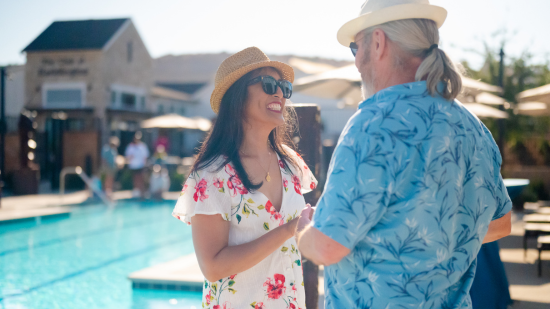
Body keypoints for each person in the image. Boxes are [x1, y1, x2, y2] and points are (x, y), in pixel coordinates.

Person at [296, 1, 513, 308]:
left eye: (355, 48)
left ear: (378, 42)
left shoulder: (373, 124)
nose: (357, 63)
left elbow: (327, 248)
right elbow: (501, 224)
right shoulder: (472, 127)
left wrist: (304, 230)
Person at [172, 47, 317, 309]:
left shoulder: (292, 164)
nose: (279, 94)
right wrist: (288, 230)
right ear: (237, 97)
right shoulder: (212, 175)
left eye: (284, 87)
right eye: (268, 84)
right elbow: (213, 267)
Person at [125, 132, 150, 198]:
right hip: (133, 166)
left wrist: (144, 164)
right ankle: (137, 193)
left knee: (142, 179)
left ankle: (142, 193)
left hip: (141, 166)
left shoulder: (142, 146)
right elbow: (127, 157)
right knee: (135, 179)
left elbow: (145, 156)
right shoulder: (130, 147)